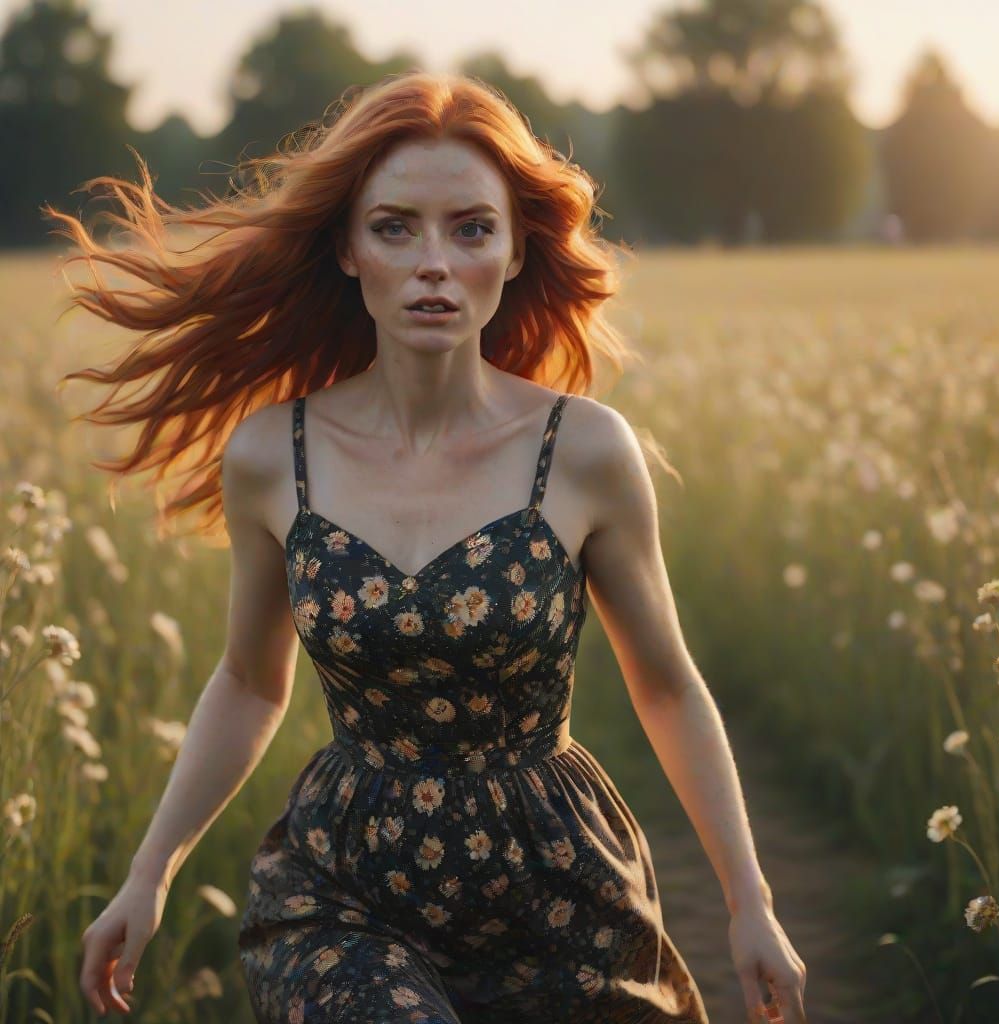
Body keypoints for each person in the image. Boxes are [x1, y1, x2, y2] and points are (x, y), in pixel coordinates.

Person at [54, 71, 807, 1022]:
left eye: (471, 228)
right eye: (396, 226)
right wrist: (149, 874)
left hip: (556, 888)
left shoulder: (583, 451)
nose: (434, 263)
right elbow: (250, 683)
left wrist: (750, 903)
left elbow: (666, 686)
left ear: (516, 248)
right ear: (347, 248)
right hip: (345, 891)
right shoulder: (270, 455)